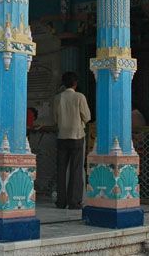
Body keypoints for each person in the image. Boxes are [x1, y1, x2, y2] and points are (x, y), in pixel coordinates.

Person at [52, 71, 91, 210]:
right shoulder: (80, 97)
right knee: (76, 169)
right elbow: (87, 117)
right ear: (75, 83)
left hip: (62, 136)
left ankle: (61, 201)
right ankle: (74, 201)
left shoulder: (58, 98)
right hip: (77, 136)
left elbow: (55, 119)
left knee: (61, 169)